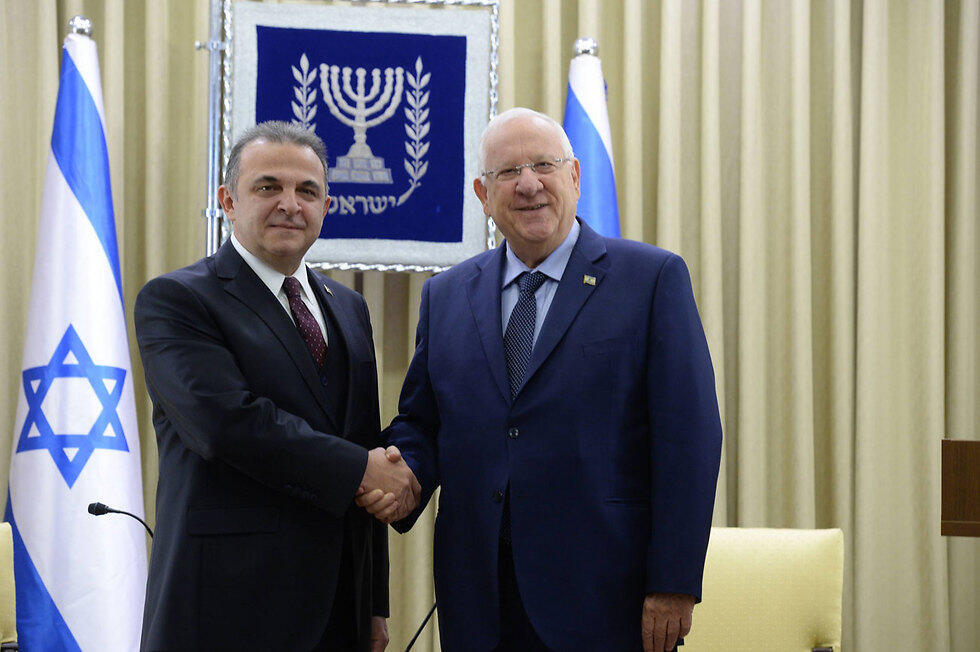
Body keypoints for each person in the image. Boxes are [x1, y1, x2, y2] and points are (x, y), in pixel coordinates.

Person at [359, 108, 722, 651]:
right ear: (483, 194)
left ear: (574, 176)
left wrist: (672, 582)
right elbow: (423, 421)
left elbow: (689, 438)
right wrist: (400, 474)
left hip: (606, 595)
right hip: (479, 596)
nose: (529, 185)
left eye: (544, 166)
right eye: (508, 173)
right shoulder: (447, 295)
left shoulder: (651, 280)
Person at [134, 121, 419, 651]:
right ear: (228, 200)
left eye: (307, 190)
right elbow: (227, 424)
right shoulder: (177, 300)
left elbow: (364, 444)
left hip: (339, 610)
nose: (290, 203)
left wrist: (373, 602)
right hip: (224, 608)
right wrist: (362, 469)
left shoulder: (350, 308)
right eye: (268, 187)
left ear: (326, 208)